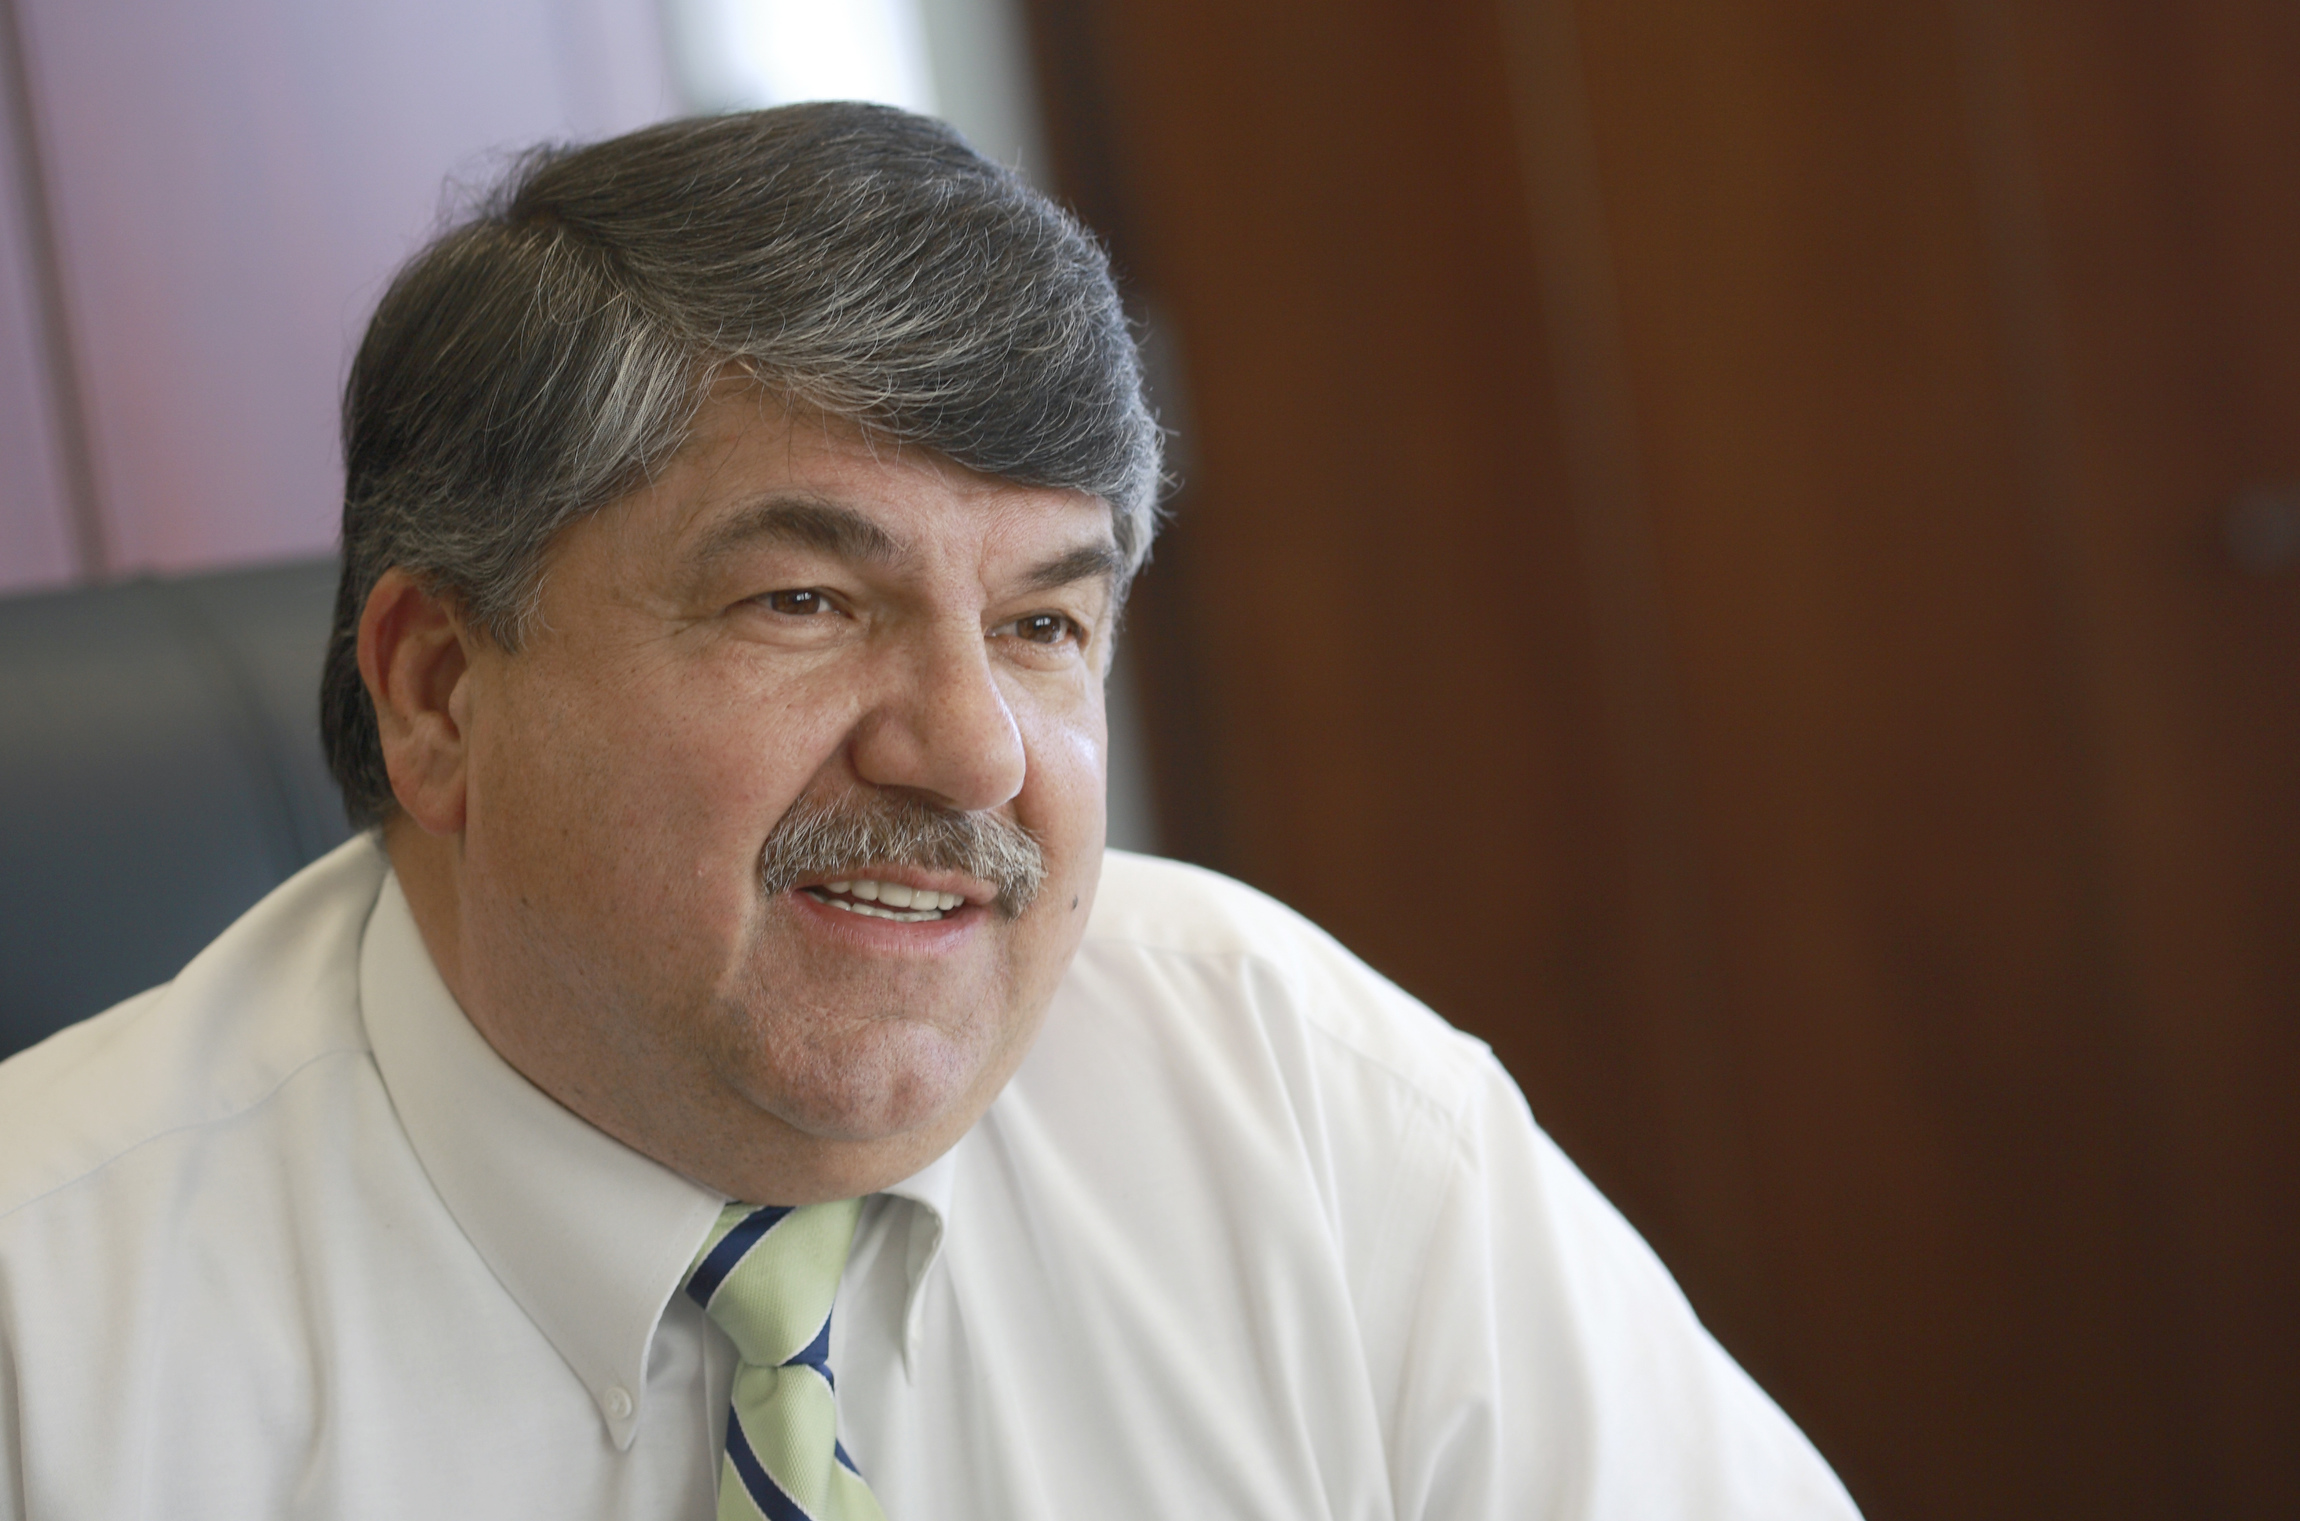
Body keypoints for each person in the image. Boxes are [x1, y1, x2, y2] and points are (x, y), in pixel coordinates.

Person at [0, 104, 1859, 1520]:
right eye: (804, 601)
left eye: (1045, 623)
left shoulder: (1299, 1097)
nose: (972, 752)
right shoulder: (49, 1343)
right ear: (438, 690)